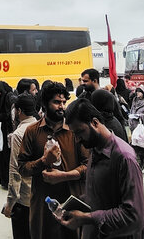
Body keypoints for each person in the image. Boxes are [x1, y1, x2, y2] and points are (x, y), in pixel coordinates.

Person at [59, 98, 144, 239]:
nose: (77, 139)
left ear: (94, 123)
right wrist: (74, 205)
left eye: (79, 132)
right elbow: (100, 193)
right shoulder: (95, 150)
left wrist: (88, 218)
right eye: (74, 134)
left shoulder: (124, 157)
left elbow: (134, 217)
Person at [18, 81, 89, 239]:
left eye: (64, 102)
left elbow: (88, 166)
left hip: (72, 201)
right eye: (56, 102)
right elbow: (22, 168)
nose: (62, 107)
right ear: (44, 103)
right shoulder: (32, 131)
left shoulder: (74, 131)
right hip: (43, 205)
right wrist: (43, 161)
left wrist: (65, 176)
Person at [3, 94, 38, 239]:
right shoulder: (40, 126)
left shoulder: (18, 134)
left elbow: (15, 171)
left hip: (24, 198)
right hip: (40, 195)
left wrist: (10, 203)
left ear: (19, 111)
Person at [0, 80, 15, 189]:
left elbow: (8, 114)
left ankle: (7, 181)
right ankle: (4, 180)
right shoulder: (6, 95)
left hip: (8, 131)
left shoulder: (9, 97)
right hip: (4, 130)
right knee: (3, 154)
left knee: (7, 155)